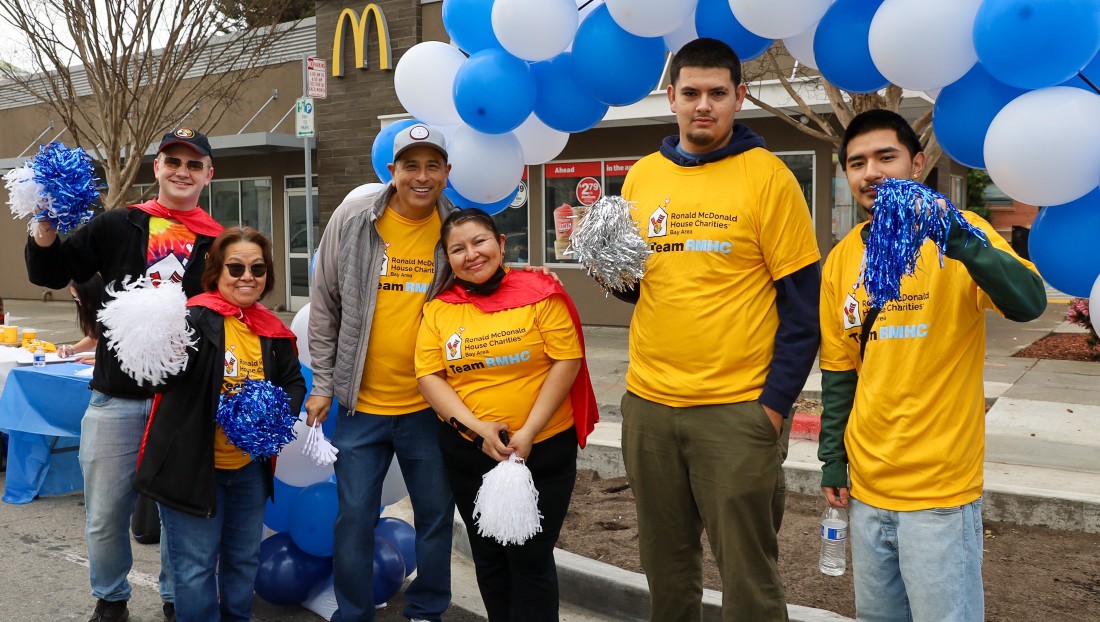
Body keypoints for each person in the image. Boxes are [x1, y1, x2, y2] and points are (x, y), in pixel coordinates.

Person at [611, 38, 821, 621]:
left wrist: (772, 409)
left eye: (717, 94)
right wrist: (608, 267)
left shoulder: (771, 178)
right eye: (691, 93)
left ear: (739, 97)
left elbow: (804, 311)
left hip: (737, 411)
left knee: (749, 582)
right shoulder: (641, 178)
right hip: (648, 408)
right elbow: (640, 289)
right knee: (665, 570)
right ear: (671, 97)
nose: (703, 105)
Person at [818, 109, 1047, 622]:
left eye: (885, 157)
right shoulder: (841, 260)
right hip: (866, 489)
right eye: (857, 163)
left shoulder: (963, 234)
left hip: (940, 493)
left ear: (917, 164)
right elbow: (840, 371)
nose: (871, 172)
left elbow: (1029, 302)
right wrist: (833, 460)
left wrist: (958, 239)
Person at [25, 127, 223, 622]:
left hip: (182, 404)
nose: (182, 171)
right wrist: (44, 226)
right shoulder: (118, 225)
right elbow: (52, 271)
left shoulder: (219, 241)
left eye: (193, 164)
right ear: (156, 168)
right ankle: (111, 598)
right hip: (116, 398)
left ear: (208, 175)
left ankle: (179, 598)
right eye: (173, 161)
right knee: (105, 514)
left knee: (178, 514)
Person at [305, 123, 458, 622]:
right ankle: (353, 612)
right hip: (360, 406)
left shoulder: (455, 228)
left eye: (432, 165)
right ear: (391, 171)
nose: (421, 176)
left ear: (447, 173)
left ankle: (427, 610)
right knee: (353, 519)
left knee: (436, 516)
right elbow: (324, 303)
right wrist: (324, 383)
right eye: (410, 165)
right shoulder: (354, 218)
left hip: (429, 410)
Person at [415, 208, 597, 622]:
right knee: (490, 558)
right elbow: (429, 376)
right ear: (448, 259)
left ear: (500, 244)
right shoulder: (439, 310)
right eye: (457, 249)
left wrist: (529, 431)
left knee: (530, 559)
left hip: (544, 448)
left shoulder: (541, 291)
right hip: (470, 454)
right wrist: (478, 430)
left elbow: (565, 361)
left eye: (479, 241)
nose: (471, 254)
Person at [134, 226, 305, 622]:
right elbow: (161, 379)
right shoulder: (192, 318)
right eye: (237, 267)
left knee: (244, 561)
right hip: (192, 468)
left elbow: (293, 382)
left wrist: (273, 411)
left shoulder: (273, 330)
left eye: (258, 269)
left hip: (248, 470)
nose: (248, 276)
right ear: (217, 272)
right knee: (194, 570)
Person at [57, 273, 105, 363]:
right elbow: (94, 337)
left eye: (80, 298)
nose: (80, 303)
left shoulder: (112, 312)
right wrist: (72, 349)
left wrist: (102, 361)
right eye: (76, 299)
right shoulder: (94, 311)